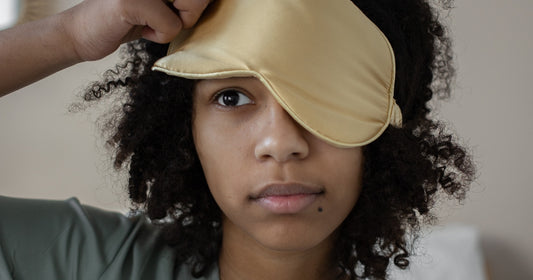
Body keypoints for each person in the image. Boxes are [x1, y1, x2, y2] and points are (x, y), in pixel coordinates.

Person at [0, 0, 475, 279]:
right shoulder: (99, 264)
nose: (281, 142)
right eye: (231, 97)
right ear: (184, 128)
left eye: (324, 93)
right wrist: (70, 34)